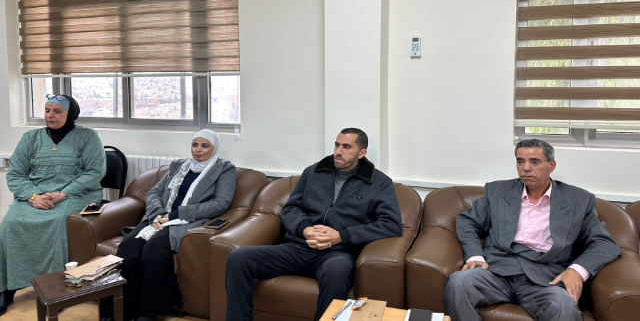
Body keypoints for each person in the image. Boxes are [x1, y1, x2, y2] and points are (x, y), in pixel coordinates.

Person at [225, 127, 403, 321]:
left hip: (338, 253)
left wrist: (341, 236)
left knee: (336, 272)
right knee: (239, 258)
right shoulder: (314, 171)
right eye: (336, 145)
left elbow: (391, 224)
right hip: (297, 247)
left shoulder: (379, 183)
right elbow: (291, 208)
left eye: (346, 147)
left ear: (362, 153)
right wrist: (305, 229)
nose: (338, 151)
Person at [443, 139, 621, 321]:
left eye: (534, 162)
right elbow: (468, 221)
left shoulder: (578, 200)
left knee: (563, 305)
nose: (526, 168)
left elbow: (603, 244)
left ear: (551, 166)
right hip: (496, 271)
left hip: (545, 279)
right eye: (520, 161)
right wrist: (475, 256)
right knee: (458, 282)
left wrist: (577, 271)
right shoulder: (498, 191)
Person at [111, 129, 236, 321]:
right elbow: (154, 192)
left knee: (153, 252)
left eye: (205, 146)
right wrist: (158, 213)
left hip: (186, 220)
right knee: (127, 250)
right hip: (159, 217)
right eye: (195, 145)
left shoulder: (224, 169)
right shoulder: (178, 165)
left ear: (215, 148)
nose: (198, 150)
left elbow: (220, 203)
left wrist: (177, 214)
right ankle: (120, 311)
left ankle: (147, 313)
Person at [0, 94, 106, 316]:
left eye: (57, 111)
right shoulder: (30, 138)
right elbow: (16, 174)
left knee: (57, 222)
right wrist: (33, 197)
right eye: (47, 110)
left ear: (71, 114)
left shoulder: (88, 137)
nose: (50, 115)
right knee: (10, 222)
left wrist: (63, 194)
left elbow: (95, 172)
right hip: (36, 195)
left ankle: (56, 289)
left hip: (75, 194)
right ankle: (7, 287)